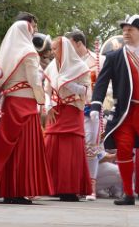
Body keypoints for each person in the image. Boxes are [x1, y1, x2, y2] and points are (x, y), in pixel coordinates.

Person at [90, 15, 139, 207]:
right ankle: (127, 193)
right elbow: (101, 82)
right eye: (124, 29)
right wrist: (96, 104)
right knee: (123, 150)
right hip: (125, 112)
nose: (126, 32)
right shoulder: (114, 56)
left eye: (130, 29)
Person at [0, 20, 53, 204]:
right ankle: (19, 189)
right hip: (25, 104)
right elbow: (35, 82)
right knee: (24, 149)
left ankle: (7, 188)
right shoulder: (30, 53)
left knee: (8, 147)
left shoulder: (8, 54)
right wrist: (41, 100)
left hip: (9, 103)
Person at [44, 36, 92, 201]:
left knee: (70, 151)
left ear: (64, 49)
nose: (52, 52)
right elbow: (46, 89)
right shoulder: (51, 66)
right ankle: (51, 186)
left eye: (55, 49)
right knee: (50, 144)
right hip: (55, 112)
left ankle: (69, 189)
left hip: (72, 111)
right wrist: (48, 106)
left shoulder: (81, 67)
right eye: (52, 49)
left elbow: (87, 92)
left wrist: (69, 84)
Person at [65, 29, 105, 201]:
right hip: (71, 109)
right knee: (74, 147)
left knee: (90, 146)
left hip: (92, 110)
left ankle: (91, 186)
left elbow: (106, 86)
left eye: (70, 44)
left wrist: (101, 104)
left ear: (79, 43)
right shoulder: (66, 62)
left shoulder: (99, 60)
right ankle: (75, 185)